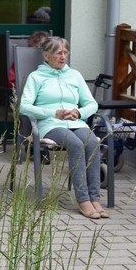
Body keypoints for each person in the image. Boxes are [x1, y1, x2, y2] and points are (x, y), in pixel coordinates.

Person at [18, 36, 108, 219]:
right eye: (59, 53)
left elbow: (92, 104)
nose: (63, 56)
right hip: (50, 125)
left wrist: (79, 112)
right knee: (75, 144)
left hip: (75, 122)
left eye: (66, 52)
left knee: (91, 142)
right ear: (46, 55)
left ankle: (95, 198)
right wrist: (54, 113)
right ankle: (83, 200)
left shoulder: (74, 75)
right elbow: (24, 106)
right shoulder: (36, 77)